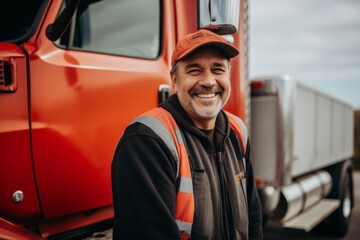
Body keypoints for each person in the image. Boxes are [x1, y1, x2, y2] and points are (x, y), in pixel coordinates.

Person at [112, 29, 263, 240]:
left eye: (218, 69)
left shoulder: (237, 131)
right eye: (194, 70)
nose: (209, 81)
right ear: (174, 80)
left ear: (228, 75)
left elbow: (253, 217)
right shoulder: (147, 139)